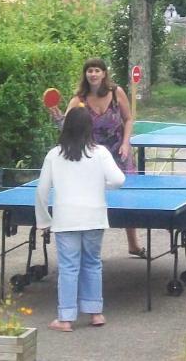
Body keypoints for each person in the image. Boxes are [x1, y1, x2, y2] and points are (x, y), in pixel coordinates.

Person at [35, 107, 126, 332]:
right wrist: (101, 185)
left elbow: (41, 191)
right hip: (95, 216)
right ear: (90, 128)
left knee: (68, 267)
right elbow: (119, 180)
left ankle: (65, 319)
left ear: (66, 127)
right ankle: (96, 313)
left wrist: (44, 220)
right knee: (92, 264)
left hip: (66, 219)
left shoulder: (54, 155)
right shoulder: (101, 153)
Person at [51, 57, 145, 257]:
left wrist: (126, 142)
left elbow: (128, 119)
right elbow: (68, 128)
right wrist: (58, 117)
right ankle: (90, 246)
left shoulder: (116, 92)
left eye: (96, 70)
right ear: (85, 75)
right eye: (89, 71)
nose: (93, 74)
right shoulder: (79, 100)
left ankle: (133, 244)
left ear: (104, 74)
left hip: (120, 151)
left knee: (128, 196)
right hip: (92, 156)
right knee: (92, 196)